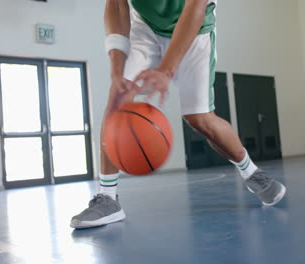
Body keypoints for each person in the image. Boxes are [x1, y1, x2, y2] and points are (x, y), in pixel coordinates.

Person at [70, 0, 286, 229]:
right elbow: (116, 5)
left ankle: (251, 172)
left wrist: (166, 70)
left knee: (199, 118)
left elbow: (195, 7)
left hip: (196, 28)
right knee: (118, 99)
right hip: (147, 27)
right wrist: (116, 69)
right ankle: (107, 197)